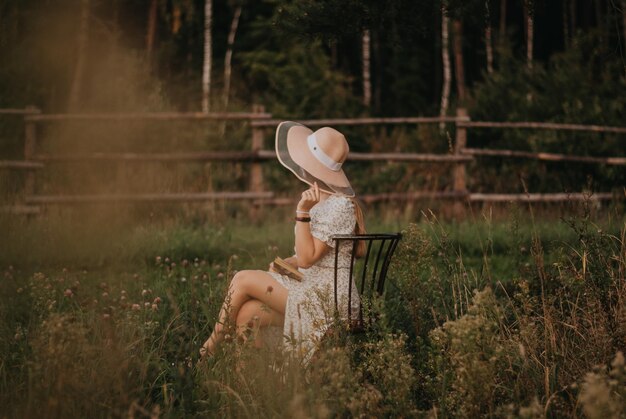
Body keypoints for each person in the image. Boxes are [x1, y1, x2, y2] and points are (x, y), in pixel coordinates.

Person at [199, 121, 365, 361]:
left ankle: (211, 344)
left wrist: (302, 212)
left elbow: (308, 259)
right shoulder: (325, 202)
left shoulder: (339, 206)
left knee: (242, 278)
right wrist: (288, 262)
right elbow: (312, 256)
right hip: (312, 286)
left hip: (329, 299)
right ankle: (254, 381)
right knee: (248, 313)